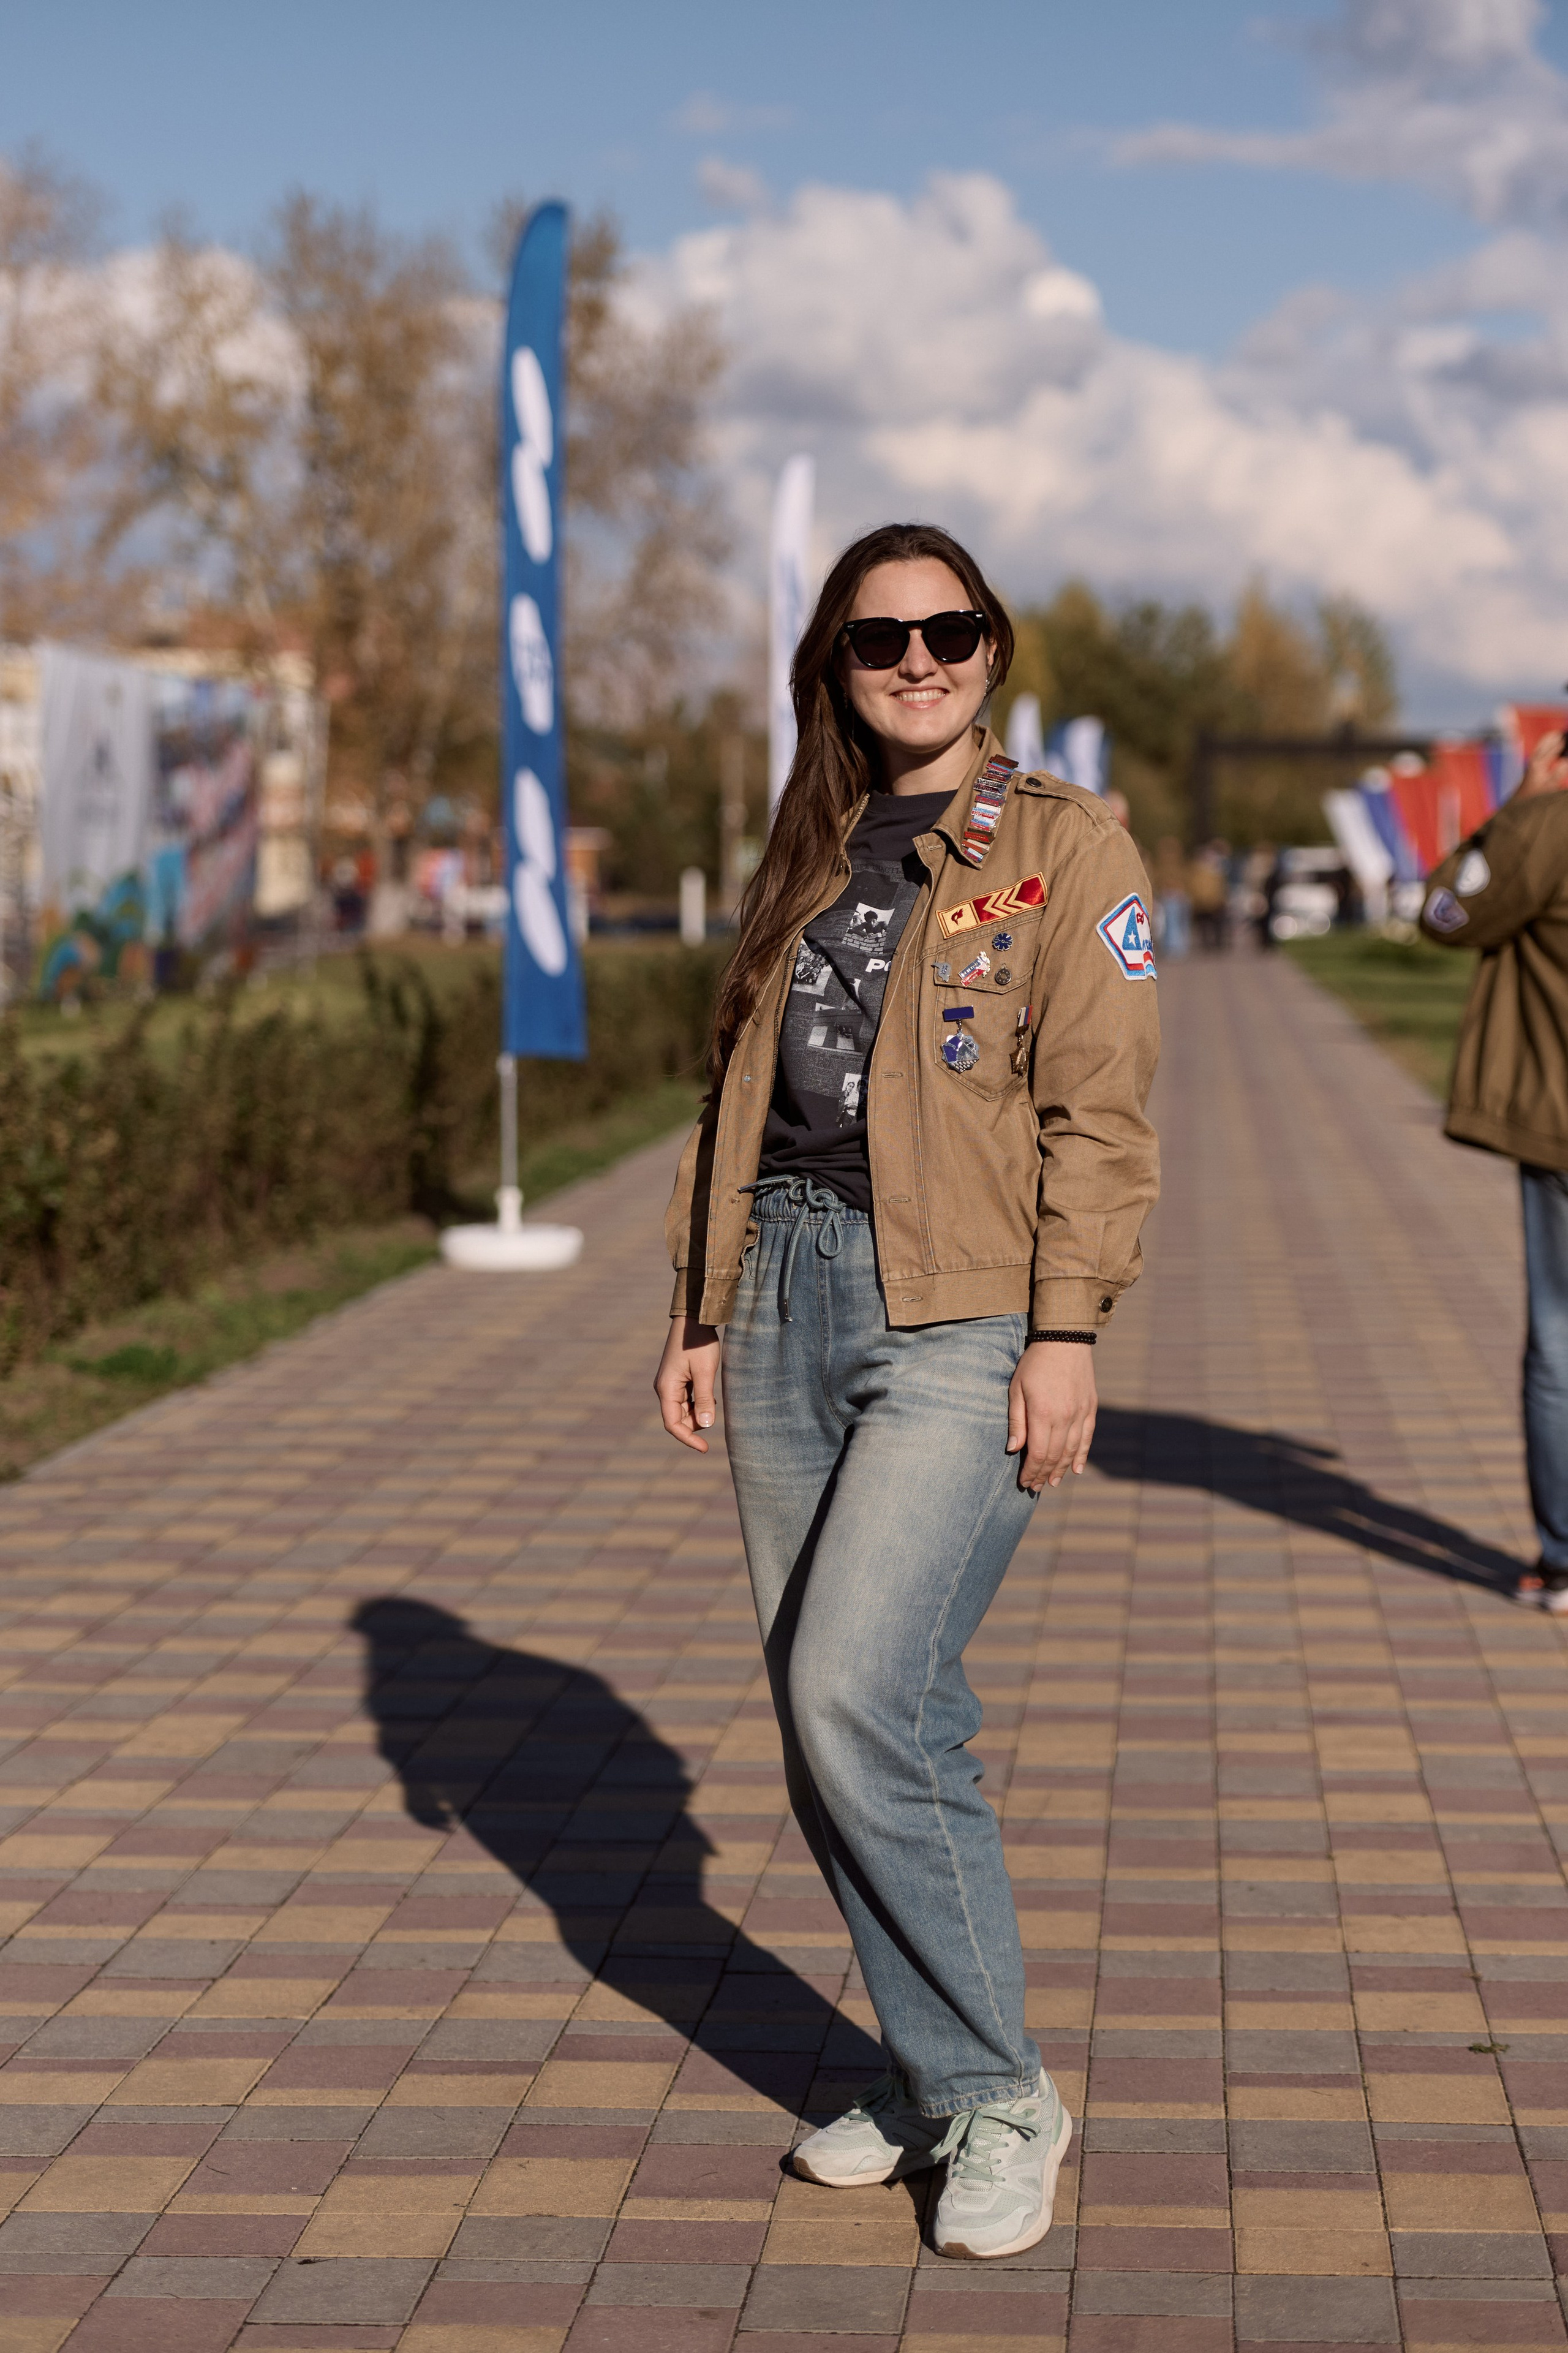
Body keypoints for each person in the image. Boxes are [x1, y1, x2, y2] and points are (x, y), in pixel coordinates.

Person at [654, 523, 1160, 2259]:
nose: (918, 660)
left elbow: (1104, 1111)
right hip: (783, 1290)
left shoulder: (1071, 850)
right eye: (882, 639)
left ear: (995, 648)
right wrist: (698, 1304)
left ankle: (1005, 2094)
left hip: (961, 1310)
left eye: (949, 630)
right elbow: (736, 1092)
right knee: (833, 1717)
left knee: (862, 1682)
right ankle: (941, 2070)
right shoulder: (802, 846)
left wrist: (1071, 1328)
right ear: (839, 666)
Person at [1420, 722, 1568, 1608]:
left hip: (1556, 1119)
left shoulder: (1543, 827)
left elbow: (1445, 911)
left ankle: (1562, 1559)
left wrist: (1514, 809)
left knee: (1559, 1334)